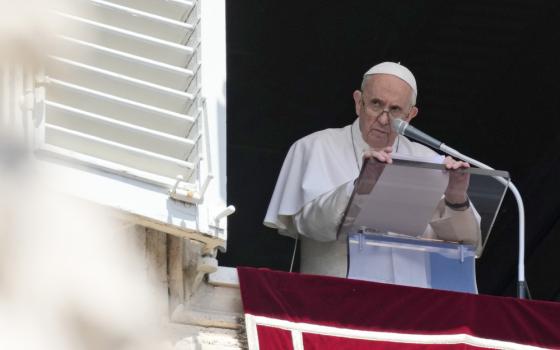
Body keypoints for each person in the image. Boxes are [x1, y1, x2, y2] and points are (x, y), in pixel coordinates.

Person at [264, 62, 481, 279]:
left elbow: (463, 247)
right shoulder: (314, 147)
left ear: (410, 115)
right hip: (337, 300)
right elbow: (310, 225)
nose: (384, 119)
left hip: (410, 302)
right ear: (359, 102)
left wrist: (456, 199)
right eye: (376, 104)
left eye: (395, 110)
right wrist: (360, 188)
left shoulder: (428, 160)